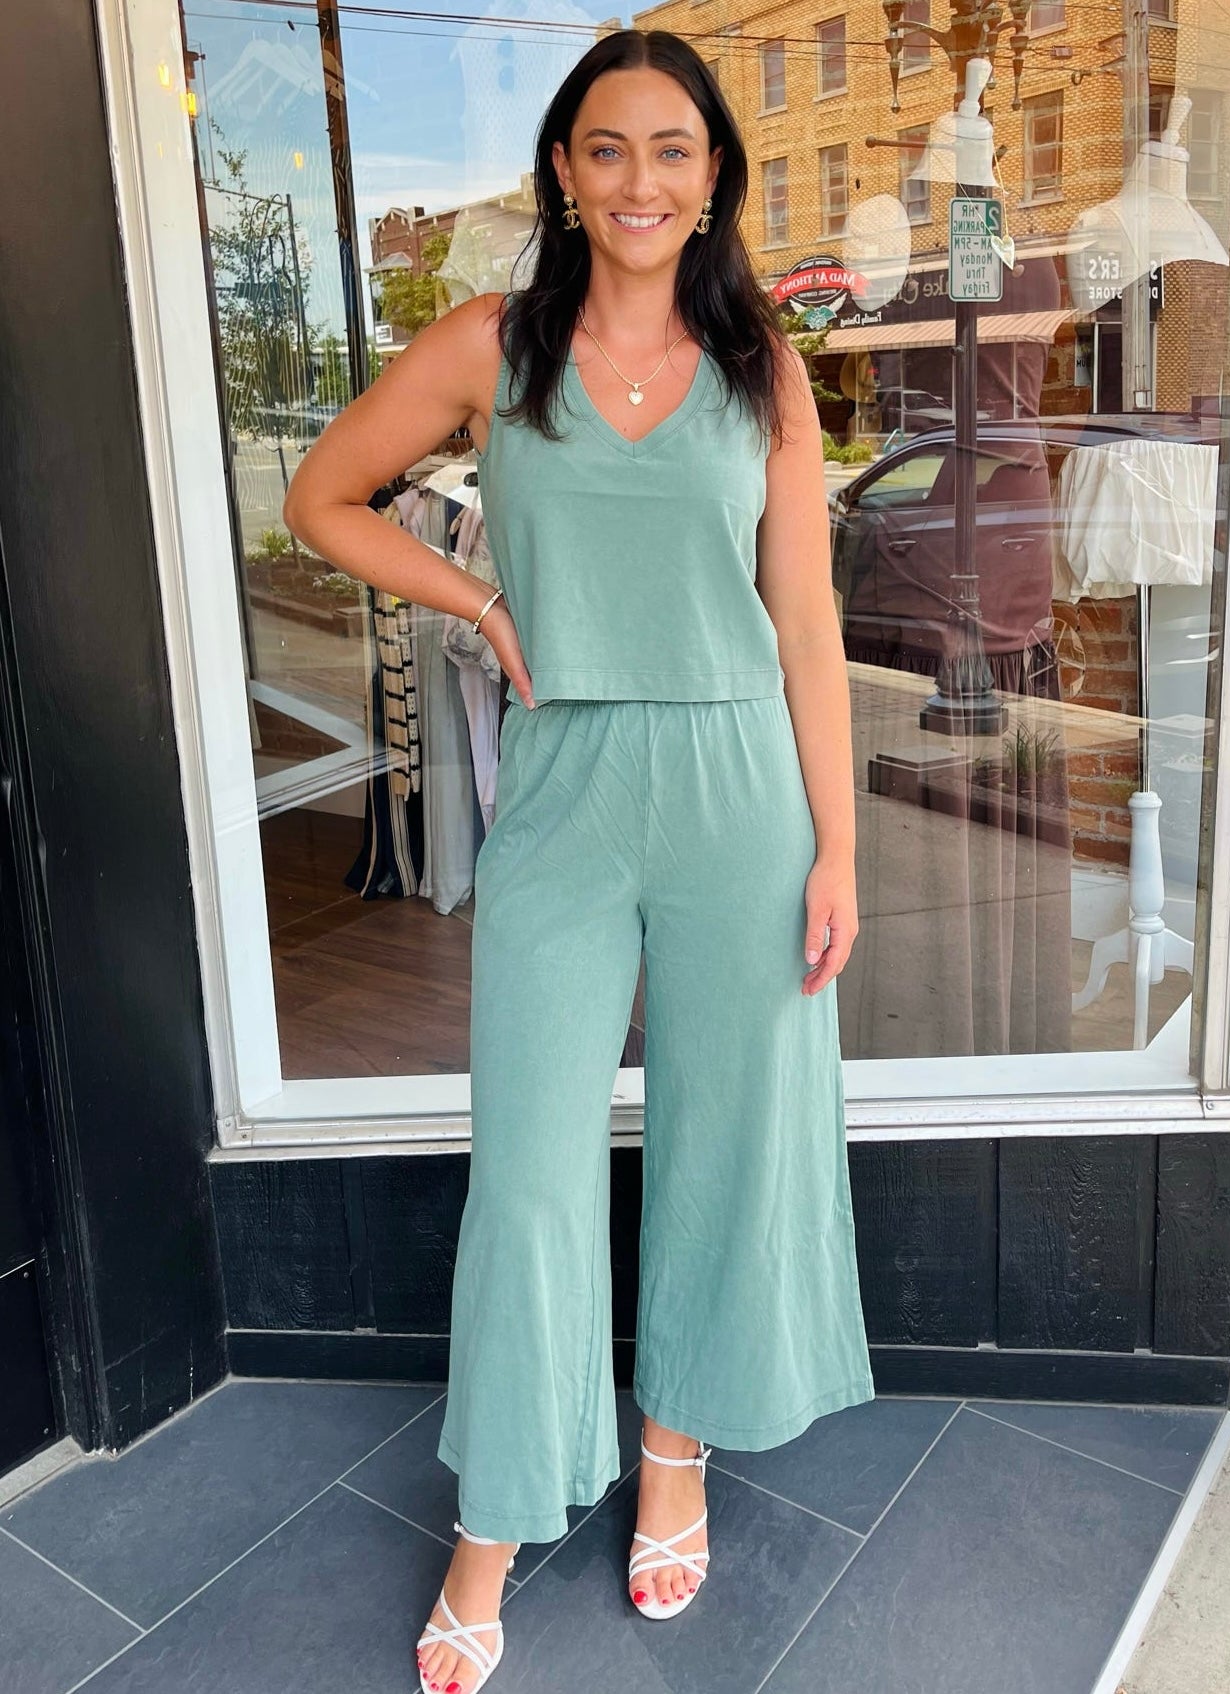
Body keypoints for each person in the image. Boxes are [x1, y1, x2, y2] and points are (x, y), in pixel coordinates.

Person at [283, 27, 875, 1694]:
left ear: (712, 177)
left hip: (739, 787)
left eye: (672, 150)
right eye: (606, 147)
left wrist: (836, 845)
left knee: (727, 1136)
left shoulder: (758, 360)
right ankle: (494, 1516)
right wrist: (481, 603)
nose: (639, 180)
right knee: (532, 1166)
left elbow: (806, 622)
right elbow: (325, 496)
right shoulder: (491, 344)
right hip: (562, 789)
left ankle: (673, 1452)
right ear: (562, 168)